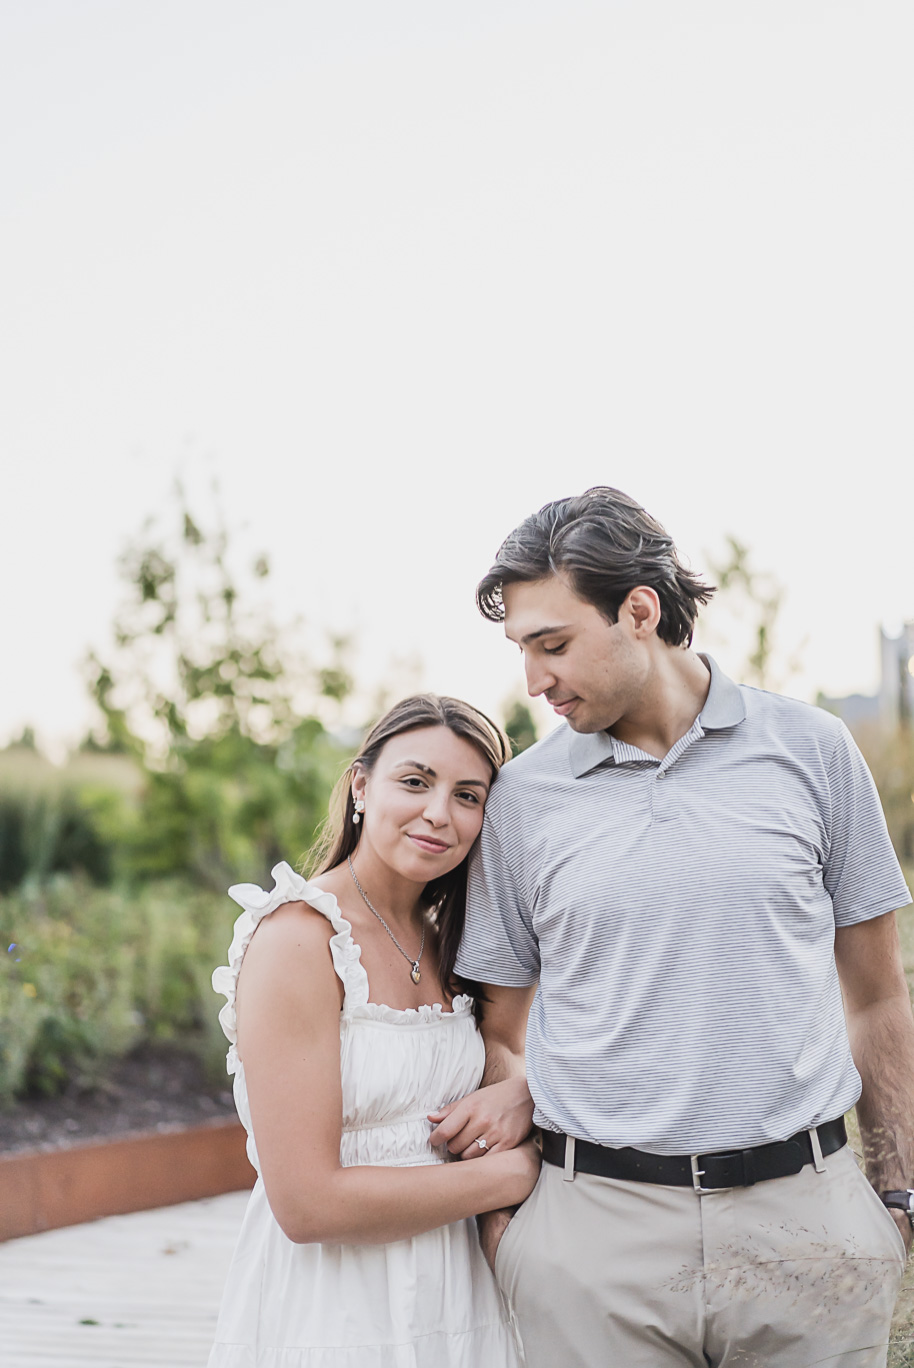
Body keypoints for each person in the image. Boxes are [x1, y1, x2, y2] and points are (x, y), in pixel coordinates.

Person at [433, 487, 914, 1367]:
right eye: (522, 650)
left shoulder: (814, 751)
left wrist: (897, 1195)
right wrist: (516, 1231)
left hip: (806, 1224)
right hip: (593, 1244)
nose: (535, 680)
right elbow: (501, 1032)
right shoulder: (525, 801)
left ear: (640, 612)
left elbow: (879, 995)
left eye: (554, 644)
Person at [208, 693, 539, 1368]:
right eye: (415, 782)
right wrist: (520, 1173)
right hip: (335, 1306)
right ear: (361, 785)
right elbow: (307, 1204)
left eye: (468, 795)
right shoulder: (299, 940)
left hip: (458, 1296)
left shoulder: (459, 945)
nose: (439, 813)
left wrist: (523, 1097)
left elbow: (514, 1061)